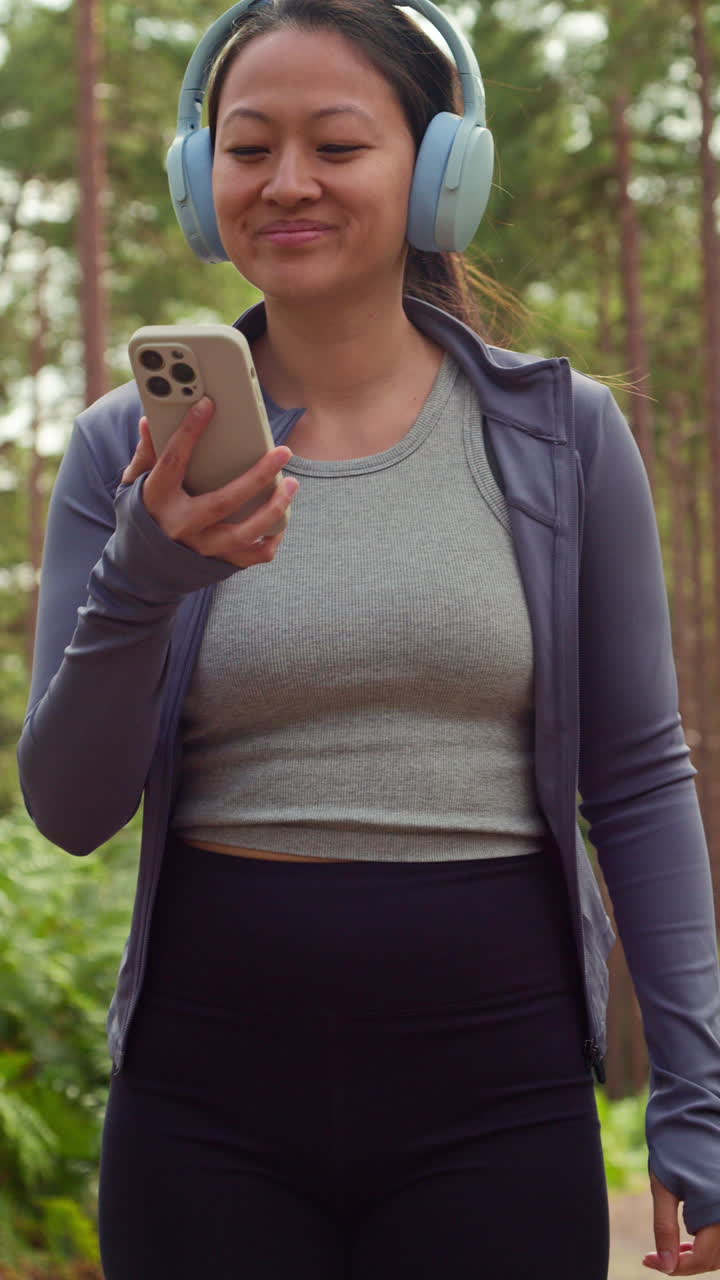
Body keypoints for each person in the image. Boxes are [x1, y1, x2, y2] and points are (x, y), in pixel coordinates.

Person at [17, 0, 720, 1275]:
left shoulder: (567, 437)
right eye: (247, 147)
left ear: (441, 171)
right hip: (201, 1100)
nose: (287, 181)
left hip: (501, 1097)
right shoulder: (130, 447)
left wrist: (701, 1093)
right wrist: (146, 576)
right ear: (198, 177)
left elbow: (638, 777)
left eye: (337, 146)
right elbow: (69, 807)